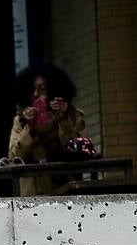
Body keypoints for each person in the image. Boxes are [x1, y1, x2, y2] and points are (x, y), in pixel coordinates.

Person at [6, 63, 86, 196]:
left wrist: (64, 118)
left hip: (65, 190)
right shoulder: (21, 121)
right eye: (32, 90)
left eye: (42, 89)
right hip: (33, 193)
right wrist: (30, 128)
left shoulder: (73, 115)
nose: (36, 94)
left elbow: (81, 149)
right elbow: (14, 156)